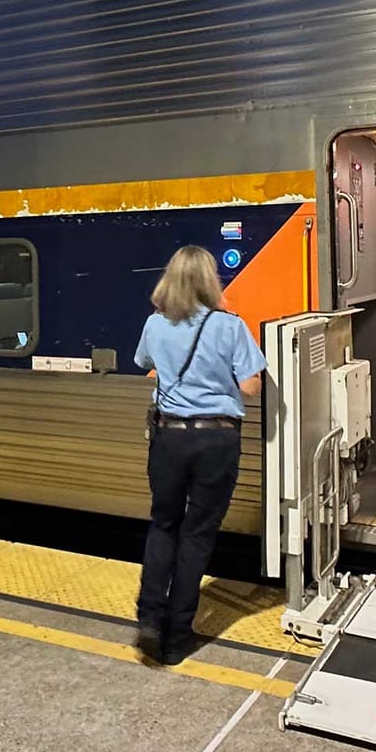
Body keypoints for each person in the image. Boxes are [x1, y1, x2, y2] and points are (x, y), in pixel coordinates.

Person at [132, 245, 265, 665]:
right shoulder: (229, 326)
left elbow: (143, 362)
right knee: (197, 533)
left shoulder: (155, 324)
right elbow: (250, 387)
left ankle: (150, 619)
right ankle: (179, 632)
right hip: (215, 439)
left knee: (164, 524)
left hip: (168, 438)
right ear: (211, 281)